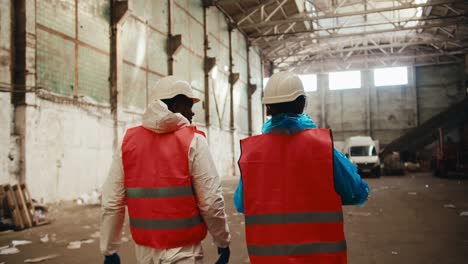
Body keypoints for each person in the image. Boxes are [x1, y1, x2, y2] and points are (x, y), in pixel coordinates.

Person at [235, 71, 369, 263]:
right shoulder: (323, 147)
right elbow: (356, 192)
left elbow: (242, 204)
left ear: (268, 109)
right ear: (302, 104)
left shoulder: (251, 153)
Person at [101, 76, 231, 264]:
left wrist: (109, 249)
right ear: (176, 104)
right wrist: (222, 240)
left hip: (146, 253)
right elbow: (211, 202)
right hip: (184, 251)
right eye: (189, 106)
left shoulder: (128, 142)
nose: (192, 114)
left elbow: (112, 202)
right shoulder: (194, 141)